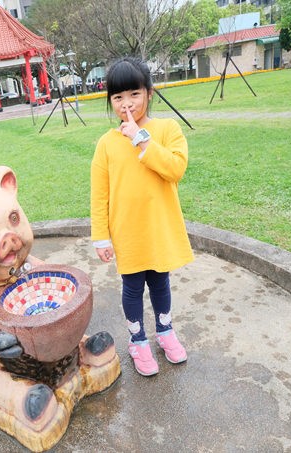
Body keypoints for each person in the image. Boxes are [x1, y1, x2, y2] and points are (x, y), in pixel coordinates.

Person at [90, 57, 194, 377]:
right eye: (118, 97)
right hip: (127, 232)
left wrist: (140, 138)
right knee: (133, 286)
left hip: (158, 227)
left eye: (133, 94)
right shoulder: (106, 143)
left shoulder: (166, 129)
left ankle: (165, 331)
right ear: (110, 101)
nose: (126, 104)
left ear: (148, 93)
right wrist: (101, 236)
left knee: (160, 282)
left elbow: (175, 169)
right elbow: (100, 193)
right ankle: (138, 340)